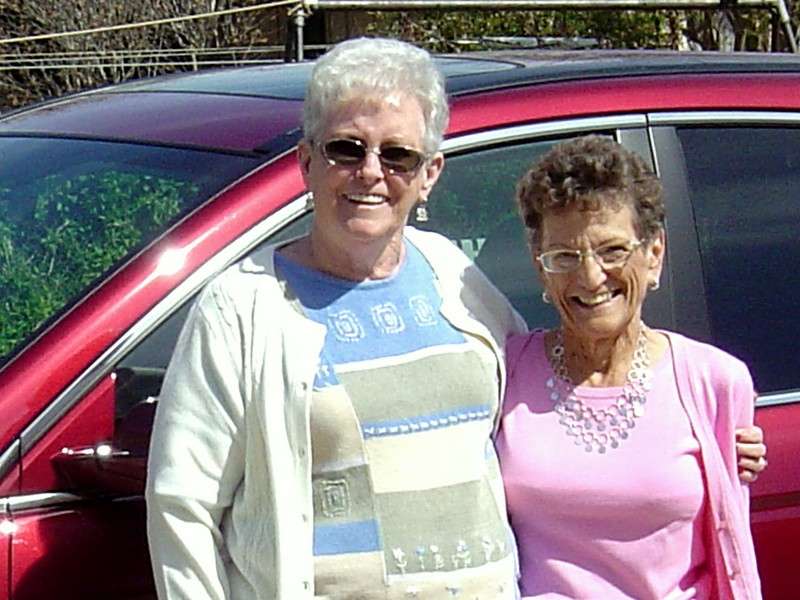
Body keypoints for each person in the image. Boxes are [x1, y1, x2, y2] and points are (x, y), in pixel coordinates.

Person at [145, 38, 765, 599]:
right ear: (307, 161)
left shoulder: (454, 278)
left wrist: (713, 437)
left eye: (398, 155)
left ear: (429, 175)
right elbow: (182, 509)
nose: (371, 172)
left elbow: (552, 390)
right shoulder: (243, 309)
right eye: (346, 149)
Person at [497, 135, 762, 599]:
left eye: (612, 250)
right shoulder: (505, 374)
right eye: (564, 257)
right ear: (540, 268)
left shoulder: (714, 382)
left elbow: (732, 551)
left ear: (654, 253)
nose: (590, 277)